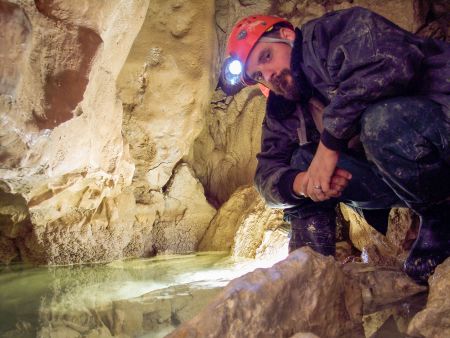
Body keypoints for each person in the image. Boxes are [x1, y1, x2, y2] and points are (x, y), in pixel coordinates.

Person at [220, 7, 450, 284]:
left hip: (438, 131)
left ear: (287, 35)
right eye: (258, 74)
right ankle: (314, 274)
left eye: (266, 57)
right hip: (394, 176)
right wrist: (301, 183)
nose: (268, 75)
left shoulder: (328, 35)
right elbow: (266, 173)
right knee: (299, 166)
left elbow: (394, 63)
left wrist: (329, 146)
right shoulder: (282, 108)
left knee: (379, 122)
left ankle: (440, 221)